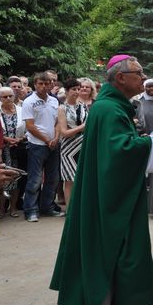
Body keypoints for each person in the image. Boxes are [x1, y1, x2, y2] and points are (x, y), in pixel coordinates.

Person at [50, 55, 153, 305]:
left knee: (104, 281)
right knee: (100, 276)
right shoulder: (110, 110)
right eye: (138, 72)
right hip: (103, 209)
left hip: (99, 201)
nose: (143, 76)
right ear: (120, 77)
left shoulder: (111, 106)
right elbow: (119, 154)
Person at [21, 72, 62, 222]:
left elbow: (58, 122)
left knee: (53, 178)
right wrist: (46, 140)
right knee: (35, 178)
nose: (44, 86)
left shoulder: (54, 101)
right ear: (35, 84)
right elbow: (30, 126)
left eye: (46, 83)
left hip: (53, 144)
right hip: (37, 145)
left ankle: (47, 207)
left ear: (51, 84)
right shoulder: (29, 102)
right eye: (40, 84)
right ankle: (31, 209)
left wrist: (56, 138)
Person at [57, 79, 88, 209]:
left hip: (83, 144)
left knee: (82, 178)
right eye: (73, 89)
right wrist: (83, 127)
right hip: (68, 148)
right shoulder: (61, 108)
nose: (76, 92)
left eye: (78, 89)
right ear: (67, 91)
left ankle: (81, 208)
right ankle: (70, 211)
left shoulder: (83, 106)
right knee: (69, 180)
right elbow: (64, 132)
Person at [0, 87, 25, 218]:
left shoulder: (21, 109)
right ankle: (1, 209)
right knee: (2, 178)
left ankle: (13, 208)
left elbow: (29, 126)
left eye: (10, 96)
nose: (8, 99)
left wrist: (21, 138)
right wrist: (6, 139)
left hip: (19, 148)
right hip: (2, 149)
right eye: (4, 97)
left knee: (16, 178)